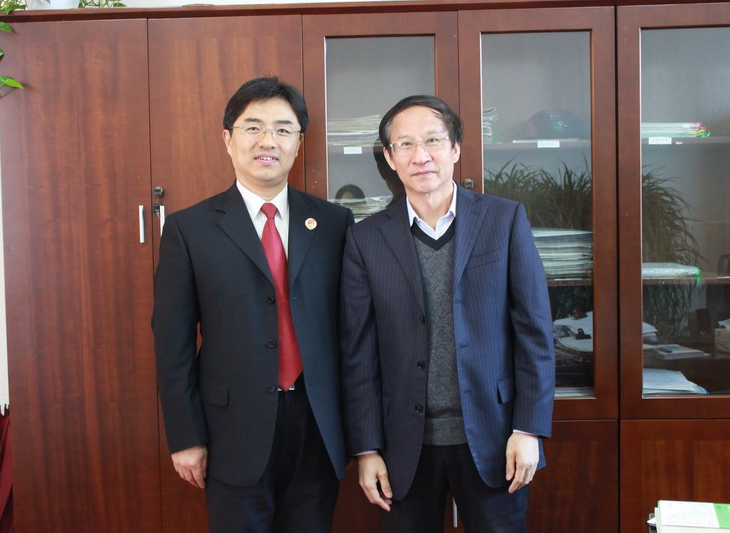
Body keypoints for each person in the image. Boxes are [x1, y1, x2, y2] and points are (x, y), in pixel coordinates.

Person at [339, 95, 555, 533]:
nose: (421, 156)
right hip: (403, 446)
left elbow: (534, 332)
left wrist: (529, 429)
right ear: (390, 158)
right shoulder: (366, 239)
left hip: (497, 437)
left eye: (433, 140)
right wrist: (366, 450)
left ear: (455, 148)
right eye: (405, 144)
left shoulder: (504, 220)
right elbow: (357, 353)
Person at [152, 76, 353, 533]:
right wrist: (185, 437)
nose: (269, 141)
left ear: (299, 143)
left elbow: (352, 332)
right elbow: (172, 345)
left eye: (283, 129)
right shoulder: (190, 229)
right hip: (231, 430)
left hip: (319, 425)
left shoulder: (335, 223)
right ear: (228, 139)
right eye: (254, 127)